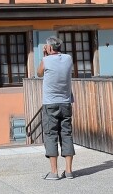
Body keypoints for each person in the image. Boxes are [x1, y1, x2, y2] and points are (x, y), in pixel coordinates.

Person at [36, 36, 75, 180]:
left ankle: (54, 172)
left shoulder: (45, 61)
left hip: (50, 104)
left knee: (51, 134)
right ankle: (69, 171)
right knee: (66, 134)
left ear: (50, 48)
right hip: (66, 102)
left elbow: (39, 73)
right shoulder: (68, 58)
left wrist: (44, 55)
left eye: (46, 46)